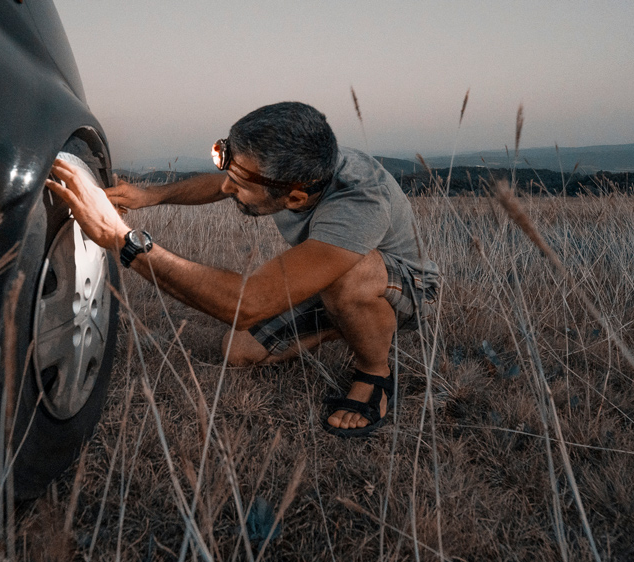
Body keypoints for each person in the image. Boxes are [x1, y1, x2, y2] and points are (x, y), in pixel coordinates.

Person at [45, 101, 439, 437]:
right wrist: (151, 195)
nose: (226, 188)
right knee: (239, 351)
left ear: (296, 195)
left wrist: (122, 239)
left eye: (238, 182)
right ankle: (345, 319)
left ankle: (375, 372)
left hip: (404, 286)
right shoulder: (294, 166)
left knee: (349, 278)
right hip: (330, 273)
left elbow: (247, 304)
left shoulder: (358, 204)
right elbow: (222, 185)